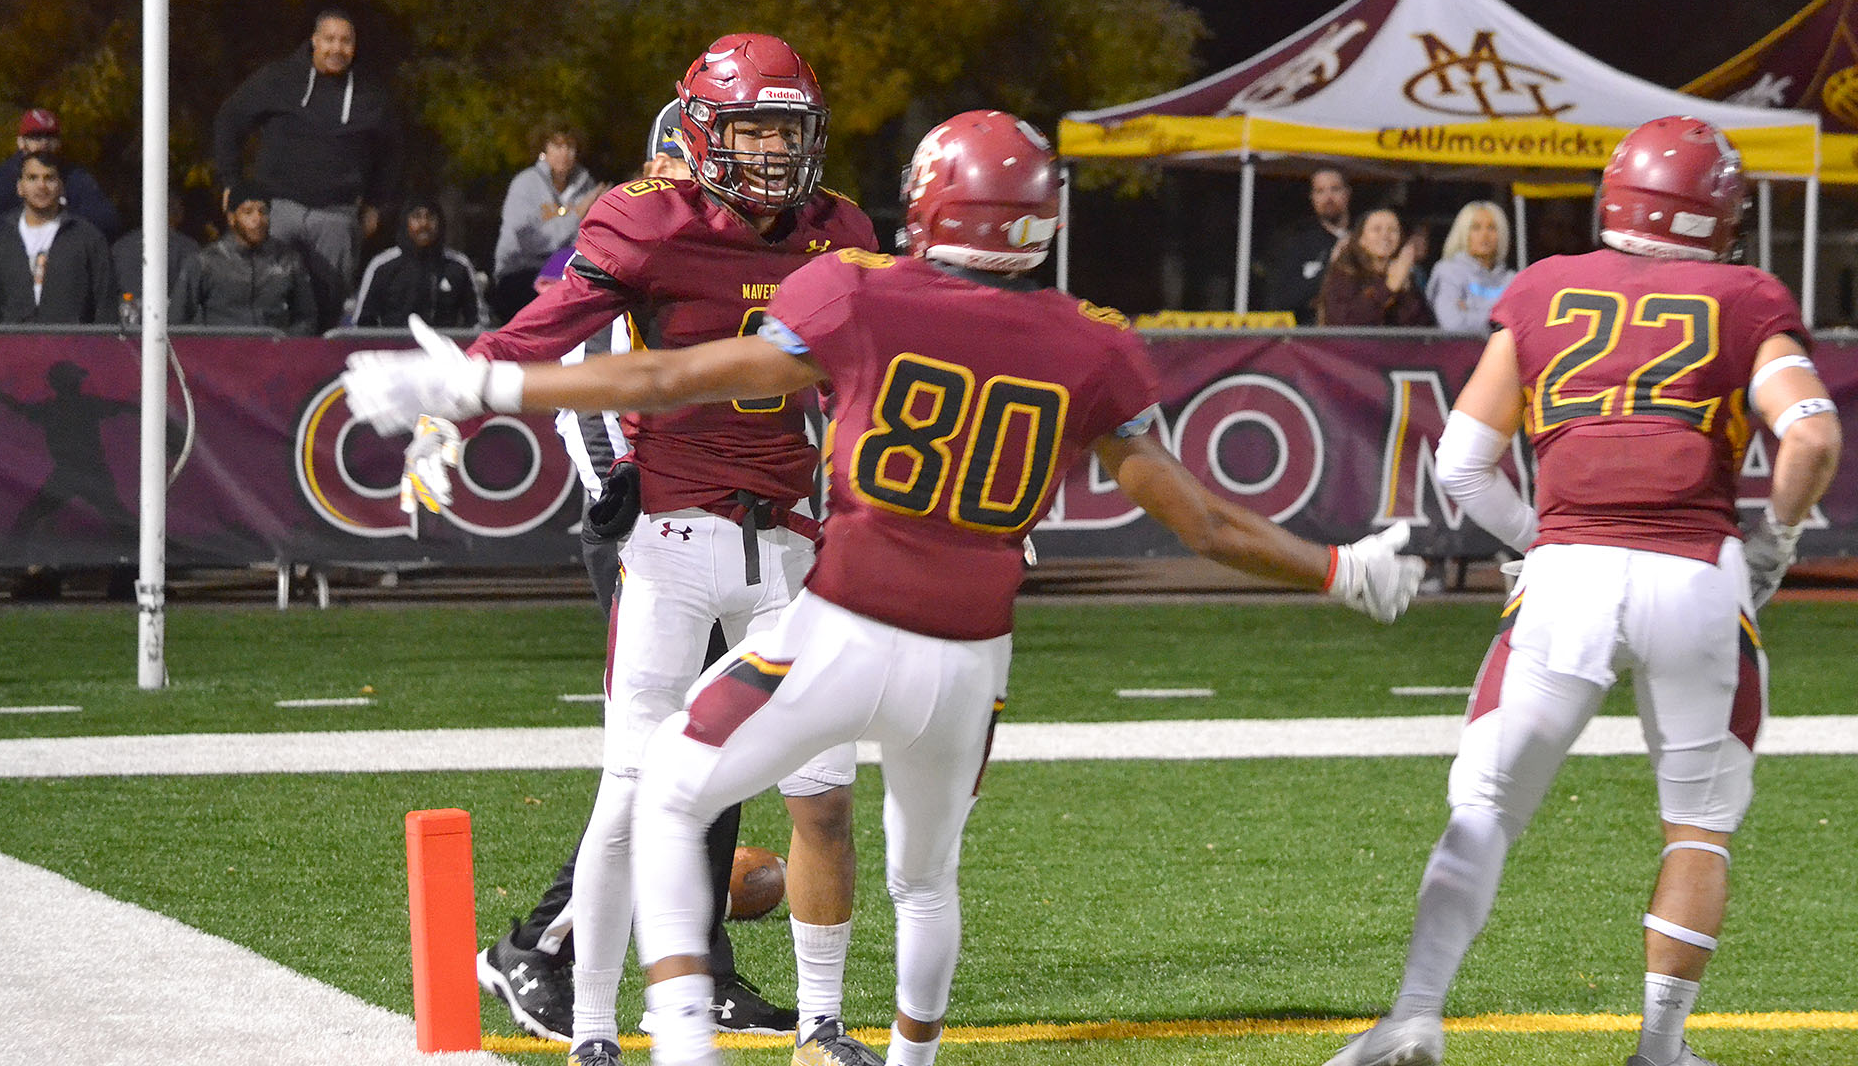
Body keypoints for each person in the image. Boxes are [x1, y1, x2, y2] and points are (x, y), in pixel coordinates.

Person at [342, 107, 1427, 1066]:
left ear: (926, 203)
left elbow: (675, 373)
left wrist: (483, 383)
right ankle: (906, 1057)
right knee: (924, 880)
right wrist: (1342, 568)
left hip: (844, 622)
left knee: (666, 788)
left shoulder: (855, 292)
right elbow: (1202, 518)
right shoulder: (1086, 340)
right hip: (971, 662)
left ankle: (678, 1042)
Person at [1321, 117, 1842, 1066]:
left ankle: (1415, 1016)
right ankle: (1658, 1047)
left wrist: (1536, 541)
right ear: (1717, 214)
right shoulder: (1746, 293)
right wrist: (1777, 545)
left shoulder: (1546, 286)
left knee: (1483, 804)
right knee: (1698, 826)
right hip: (1695, 579)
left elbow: (1464, 465)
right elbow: (1808, 437)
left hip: (1566, 577)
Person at [411, 36, 875, 1066]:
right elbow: (548, 328)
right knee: (636, 782)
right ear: (704, 130)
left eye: (789, 130)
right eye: (754, 127)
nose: (773, 151)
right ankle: (588, 1023)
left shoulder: (839, 229)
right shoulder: (645, 219)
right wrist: (458, 403)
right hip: (674, 531)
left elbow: (873, 380)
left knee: (823, 797)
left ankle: (820, 1025)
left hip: (792, 544)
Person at [212, 8, 401, 323]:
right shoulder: (279, 79)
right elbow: (230, 120)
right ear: (314, 41)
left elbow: (392, 152)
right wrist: (232, 182)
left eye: (345, 41)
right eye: (329, 40)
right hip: (278, 209)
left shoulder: (370, 95)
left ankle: (319, 363)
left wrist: (377, 204)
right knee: (266, 297)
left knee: (327, 305)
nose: (336, 49)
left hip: (336, 215)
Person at [0, 151, 115, 324]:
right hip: (13, 348)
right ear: (20, 187)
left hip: (72, 348)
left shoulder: (88, 239)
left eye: (49, 178)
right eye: (32, 178)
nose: (41, 186)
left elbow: (106, 308)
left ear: (62, 186)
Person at [491, 122, 604, 323]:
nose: (564, 153)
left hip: (567, 275)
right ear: (544, 148)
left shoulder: (586, 186)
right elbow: (531, 242)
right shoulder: (525, 184)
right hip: (521, 273)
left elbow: (588, 239)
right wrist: (576, 214)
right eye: (557, 146)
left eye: (570, 146)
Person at [0, 108, 122, 253]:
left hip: (66, 257)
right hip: (15, 260)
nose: (44, 143)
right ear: (21, 142)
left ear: (59, 143)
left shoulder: (74, 176)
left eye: (50, 137)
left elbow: (107, 220)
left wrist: (59, 221)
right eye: (36, 136)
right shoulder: (0, 178)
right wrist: (32, 220)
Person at [175, 180, 317, 332]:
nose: (257, 219)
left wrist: (286, 345)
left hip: (274, 351)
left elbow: (307, 317)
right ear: (231, 218)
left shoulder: (288, 260)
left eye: (263, 211)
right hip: (220, 351)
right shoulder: (205, 262)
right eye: (247, 212)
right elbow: (177, 322)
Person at [351, 197, 484, 329]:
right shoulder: (382, 266)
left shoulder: (458, 266)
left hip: (442, 348)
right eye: (416, 217)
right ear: (405, 222)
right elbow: (362, 322)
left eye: (430, 217)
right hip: (394, 348)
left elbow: (478, 323)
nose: (424, 224)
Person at [1316, 207, 1432, 327]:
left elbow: (1422, 326)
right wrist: (1389, 287)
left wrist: (1405, 290)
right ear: (1361, 239)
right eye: (1376, 229)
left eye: (1393, 230)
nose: (1385, 235)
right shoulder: (1343, 274)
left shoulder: (1405, 274)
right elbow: (1347, 322)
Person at [1265, 167, 1352, 322]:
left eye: (1335, 189)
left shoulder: (1364, 238)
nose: (1328, 197)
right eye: (1320, 191)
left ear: (1347, 193)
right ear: (1312, 198)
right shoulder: (1296, 243)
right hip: (1310, 339)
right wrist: (1331, 265)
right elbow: (1283, 300)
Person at [1424, 201, 1513, 334]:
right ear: (1463, 232)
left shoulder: (1511, 279)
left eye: (1492, 227)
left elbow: (1521, 323)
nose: (1485, 235)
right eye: (1476, 227)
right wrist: (1501, 318)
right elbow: (1452, 324)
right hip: (1459, 352)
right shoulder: (1447, 272)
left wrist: (1470, 311)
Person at [112, 191, 201, 322]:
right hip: (169, 329)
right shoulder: (187, 248)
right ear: (178, 214)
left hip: (125, 327)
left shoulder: (120, 246)